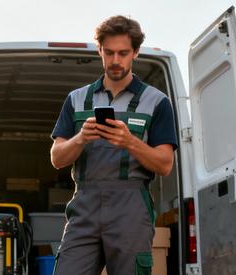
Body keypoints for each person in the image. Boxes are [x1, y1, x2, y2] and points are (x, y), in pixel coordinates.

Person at [49, 15, 178, 275]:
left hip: (131, 207)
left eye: (123, 53)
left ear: (136, 52)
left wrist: (130, 142)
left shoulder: (157, 102)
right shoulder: (76, 100)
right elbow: (57, 158)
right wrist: (81, 138)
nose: (116, 60)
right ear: (99, 50)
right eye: (109, 53)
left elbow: (165, 164)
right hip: (85, 204)